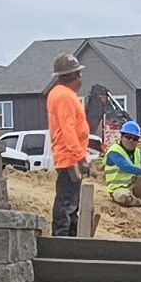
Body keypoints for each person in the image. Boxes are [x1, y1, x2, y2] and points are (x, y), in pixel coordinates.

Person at [46, 53, 91, 236]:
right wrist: (80, 158)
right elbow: (68, 129)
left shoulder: (59, 94)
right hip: (69, 159)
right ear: (73, 76)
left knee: (71, 202)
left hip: (67, 157)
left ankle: (69, 237)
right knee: (67, 202)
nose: (80, 79)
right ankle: (63, 239)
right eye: (78, 74)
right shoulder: (65, 96)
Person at [103, 120, 141, 213]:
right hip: (118, 189)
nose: (131, 141)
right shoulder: (114, 152)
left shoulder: (137, 152)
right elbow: (127, 167)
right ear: (122, 137)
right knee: (123, 197)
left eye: (135, 139)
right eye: (128, 137)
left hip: (134, 186)